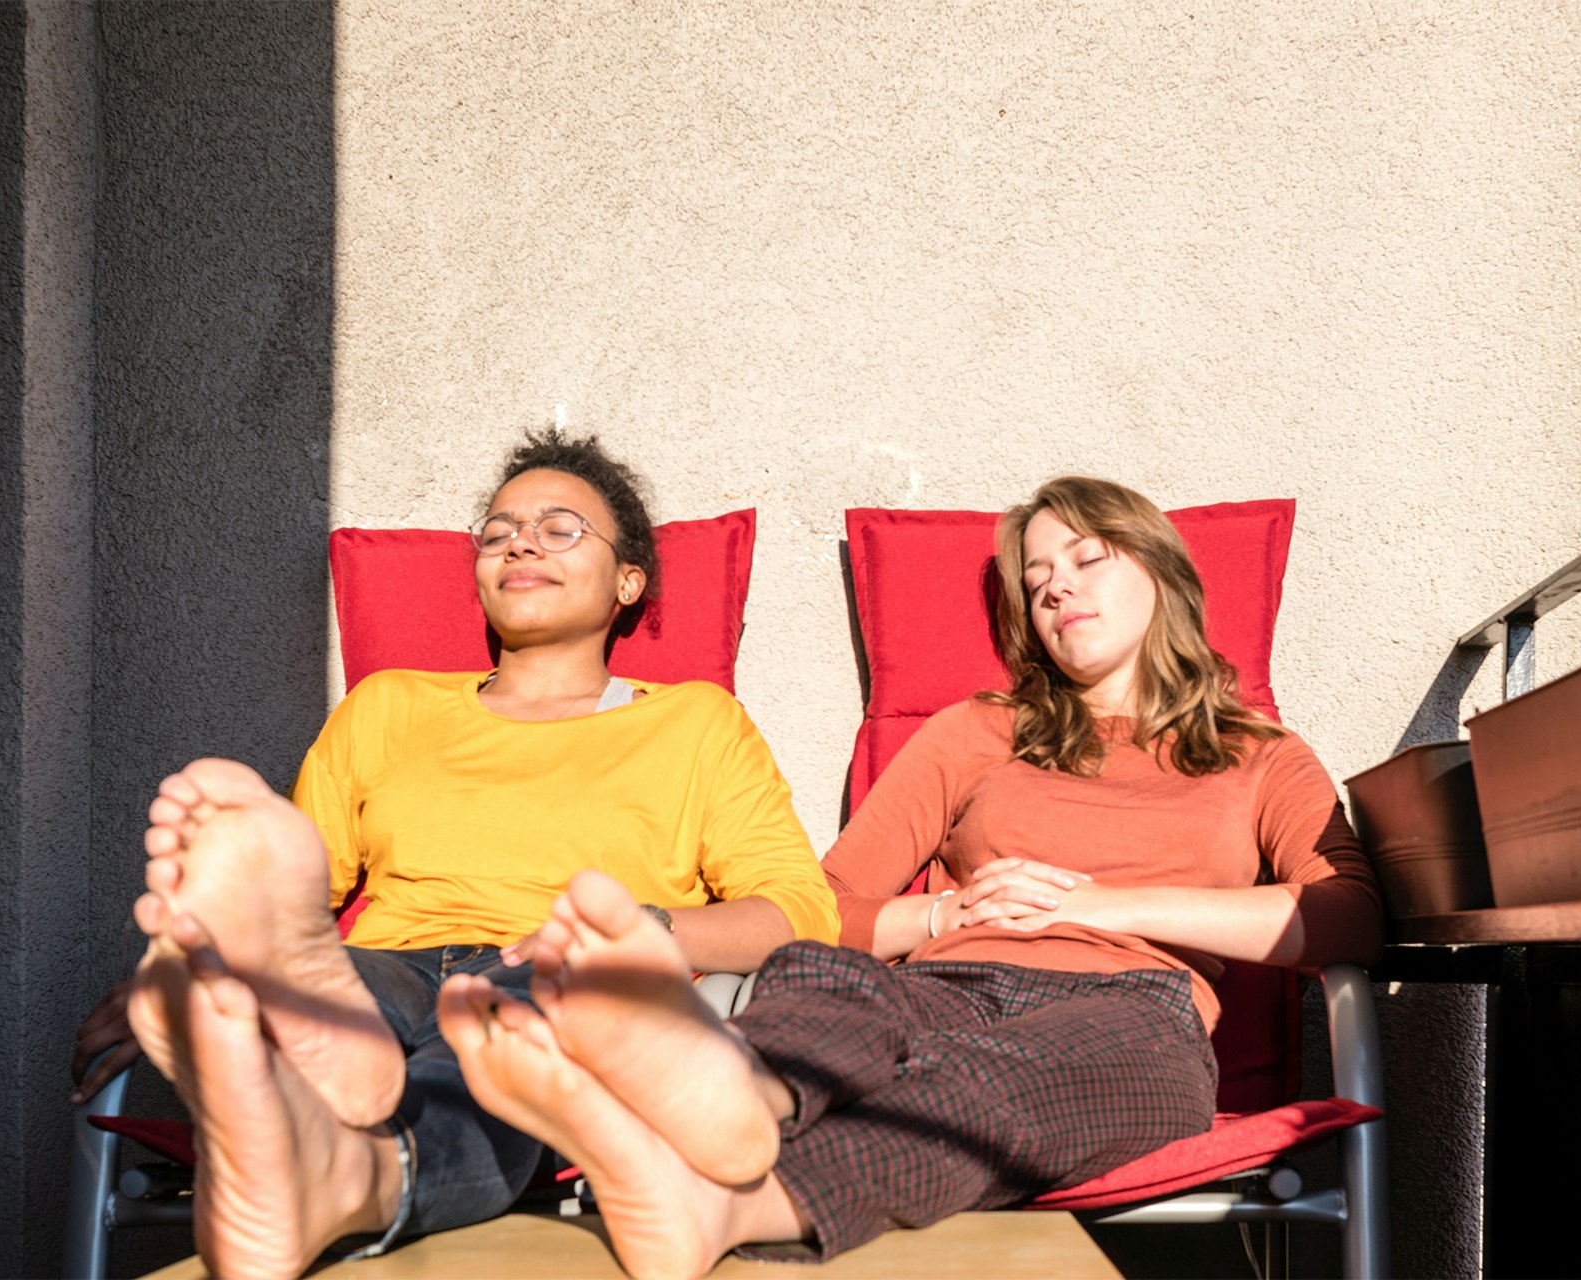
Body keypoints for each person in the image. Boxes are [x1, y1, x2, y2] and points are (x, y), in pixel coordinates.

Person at [430, 475, 1386, 1277]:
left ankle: (721, 1202)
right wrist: (939, 914)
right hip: (946, 980)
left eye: (1087, 559)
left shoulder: (1258, 755)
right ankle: (724, 1097)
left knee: (997, 1078)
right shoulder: (979, 731)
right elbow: (824, 911)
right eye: (1037, 577)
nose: (1056, 589)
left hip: (1136, 1008)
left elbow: (1345, 917)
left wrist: (1102, 904)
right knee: (827, 986)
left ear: (1162, 571)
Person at [93, 430, 839, 1270]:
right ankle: (260, 1037)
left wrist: (647, 928)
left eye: (561, 528)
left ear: (628, 580)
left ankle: (339, 1165)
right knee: (342, 992)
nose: (520, 541)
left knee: (495, 1044)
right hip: (382, 956)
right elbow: (300, 900)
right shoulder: (387, 708)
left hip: (558, 967)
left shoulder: (694, 723)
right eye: (498, 530)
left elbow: (796, 914)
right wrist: (178, 976)